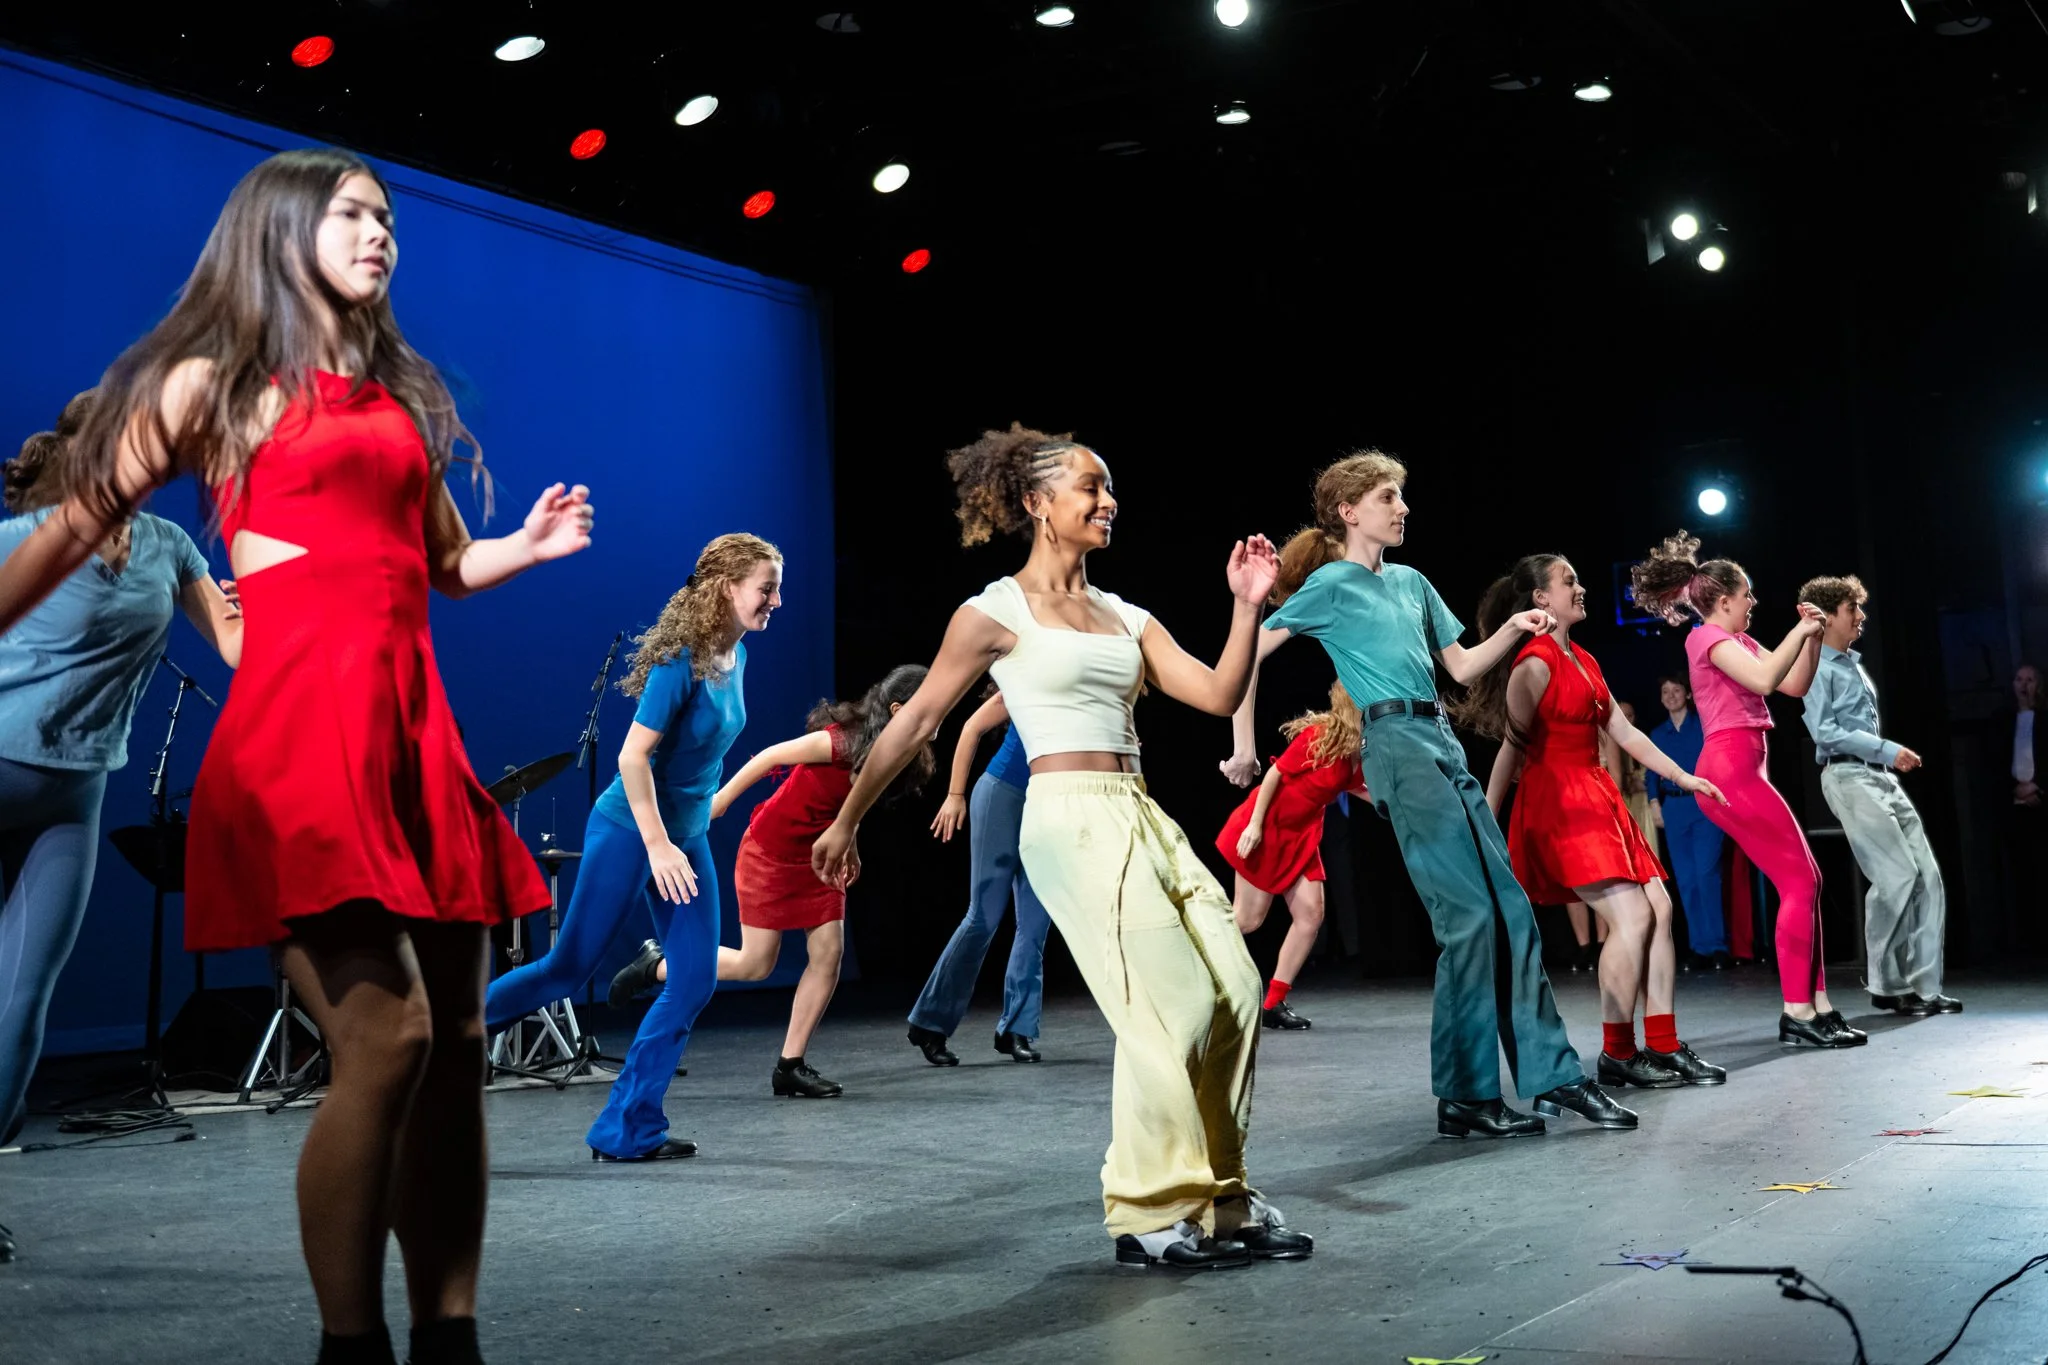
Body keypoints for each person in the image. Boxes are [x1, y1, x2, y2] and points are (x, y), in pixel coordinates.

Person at [0, 149, 595, 1364]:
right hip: (295, 746)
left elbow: (443, 565)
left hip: (413, 745)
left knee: (459, 1056)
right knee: (392, 1039)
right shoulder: (211, 389)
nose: (381, 233)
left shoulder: (390, 406)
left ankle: (450, 1336)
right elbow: (72, 533)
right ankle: (348, 1344)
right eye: (353, 215)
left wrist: (522, 550)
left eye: (388, 216)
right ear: (279, 234)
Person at [815, 423, 1312, 1272]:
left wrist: (1246, 600)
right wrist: (847, 817)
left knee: (1232, 989)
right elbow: (915, 722)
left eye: (1109, 487)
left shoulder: (1125, 615)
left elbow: (1220, 689)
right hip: (1067, 815)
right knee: (1170, 1008)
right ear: (1039, 504)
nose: (1108, 500)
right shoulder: (992, 613)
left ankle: (1222, 1198)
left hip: (1138, 808)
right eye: (1091, 486)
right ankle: (1149, 1208)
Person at [1227, 451, 1635, 1139]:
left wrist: (1511, 629)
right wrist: (1243, 743)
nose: (1404, 507)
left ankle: (1554, 1074)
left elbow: (1460, 665)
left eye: (1403, 497)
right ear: (1350, 511)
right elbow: (1246, 655)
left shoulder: (1413, 582)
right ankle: (1468, 1093)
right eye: (1389, 497)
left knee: (1510, 907)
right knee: (1469, 916)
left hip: (1440, 738)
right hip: (1393, 745)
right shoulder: (1329, 585)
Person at [0, 395, 242, 1266]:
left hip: (72, 795)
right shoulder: (19, 538)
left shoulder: (170, 547)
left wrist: (269, 600)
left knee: (21, 1005)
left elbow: (236, 648)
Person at [495, 534, 779, 1161]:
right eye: (766, 588)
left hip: (685, 838)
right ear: (728, 587)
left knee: (695, 979)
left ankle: (628, 1127)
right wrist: (657, 845)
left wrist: (683, 836)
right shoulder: (680, 660)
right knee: (567, 968)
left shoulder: (738, 658)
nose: (775, 600)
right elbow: (632, 756)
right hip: (631, 831)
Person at [1463, 555, 1728, 1090]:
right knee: (1630, 918)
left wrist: (1685, 775)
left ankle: (1663, 1043)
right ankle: (1618, 1052)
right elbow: (1512, 752)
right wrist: (1487, 822)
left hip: (1598, 794)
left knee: (1658, 906)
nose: (1580, 588)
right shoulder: (1532, 665)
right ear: (1541, 600)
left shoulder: (1583, 659)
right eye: (1568, 582)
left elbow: (1625, 736)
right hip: (1560, 801)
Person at [1627, 532, 1864, 1049]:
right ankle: (1798, 1010)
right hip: (1729, 772)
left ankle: (1816, 1006)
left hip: (1746, 769)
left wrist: (1813, 638)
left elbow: (1792, 685)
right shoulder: (1704, 638)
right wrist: (1799, 629)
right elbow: (1761, 682)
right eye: (1749, 595)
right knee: (1801, 882)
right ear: (1725, 600)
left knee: (1808, 881)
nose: (1755, 603)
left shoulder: (1740, 642)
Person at [702, 664, 934, 1097]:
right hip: (769, 852)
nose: (938, 717)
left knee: (828, 953)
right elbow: (772, 756)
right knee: (755, 965)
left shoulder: (898, 750)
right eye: (931, 707)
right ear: (900, 709)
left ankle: (790, 1065)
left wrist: (852, 844)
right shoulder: (841, 741)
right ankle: (658, 964)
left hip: (819, 857)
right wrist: (719, 802)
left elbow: (853, 800)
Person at [1797, 575, 1959, 1016]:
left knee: (1927, 877)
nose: (1861, 617)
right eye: (1852, 610)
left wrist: (1885, 759)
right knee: (1896, 877)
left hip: (1880, 777)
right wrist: (1888, 750)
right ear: (1828, 616)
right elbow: (1825, 733)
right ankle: (1888, 983)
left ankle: (1925, 987)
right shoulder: (1815, 666)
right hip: (1848, 777)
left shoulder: (1853, 663)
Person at [905, 688, 1054, 1066]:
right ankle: (930, 1022)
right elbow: (971, 728)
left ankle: (1016, 1029)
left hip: (1048, 805)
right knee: (984, 916)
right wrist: (956, 795)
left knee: (1036, 924)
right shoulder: (1028, 676)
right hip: (1002, 793)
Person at [1215, 681, 1368, 1031]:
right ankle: (1190, 973)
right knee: (1247, 920)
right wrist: (1254, 827)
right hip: (1269, 829)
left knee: (1311, 914)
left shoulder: (1355, 747)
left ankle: (1273, 1003)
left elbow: (1354, 785)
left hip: (1302, 836)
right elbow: (1274, 775)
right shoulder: (1320, 735)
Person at [1645, 674, 1730, 967]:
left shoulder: (1704, 727)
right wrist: (1654, 802)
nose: (1671, 695)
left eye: (1676, 690)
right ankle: (1700, 948)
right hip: (1674, 808)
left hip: (1704, 805)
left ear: (1688, 694)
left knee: (1707, 874)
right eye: (1665, 691)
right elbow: (1650, 772)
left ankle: (1717, 945)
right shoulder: (1657, 734)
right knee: (1686, 879)